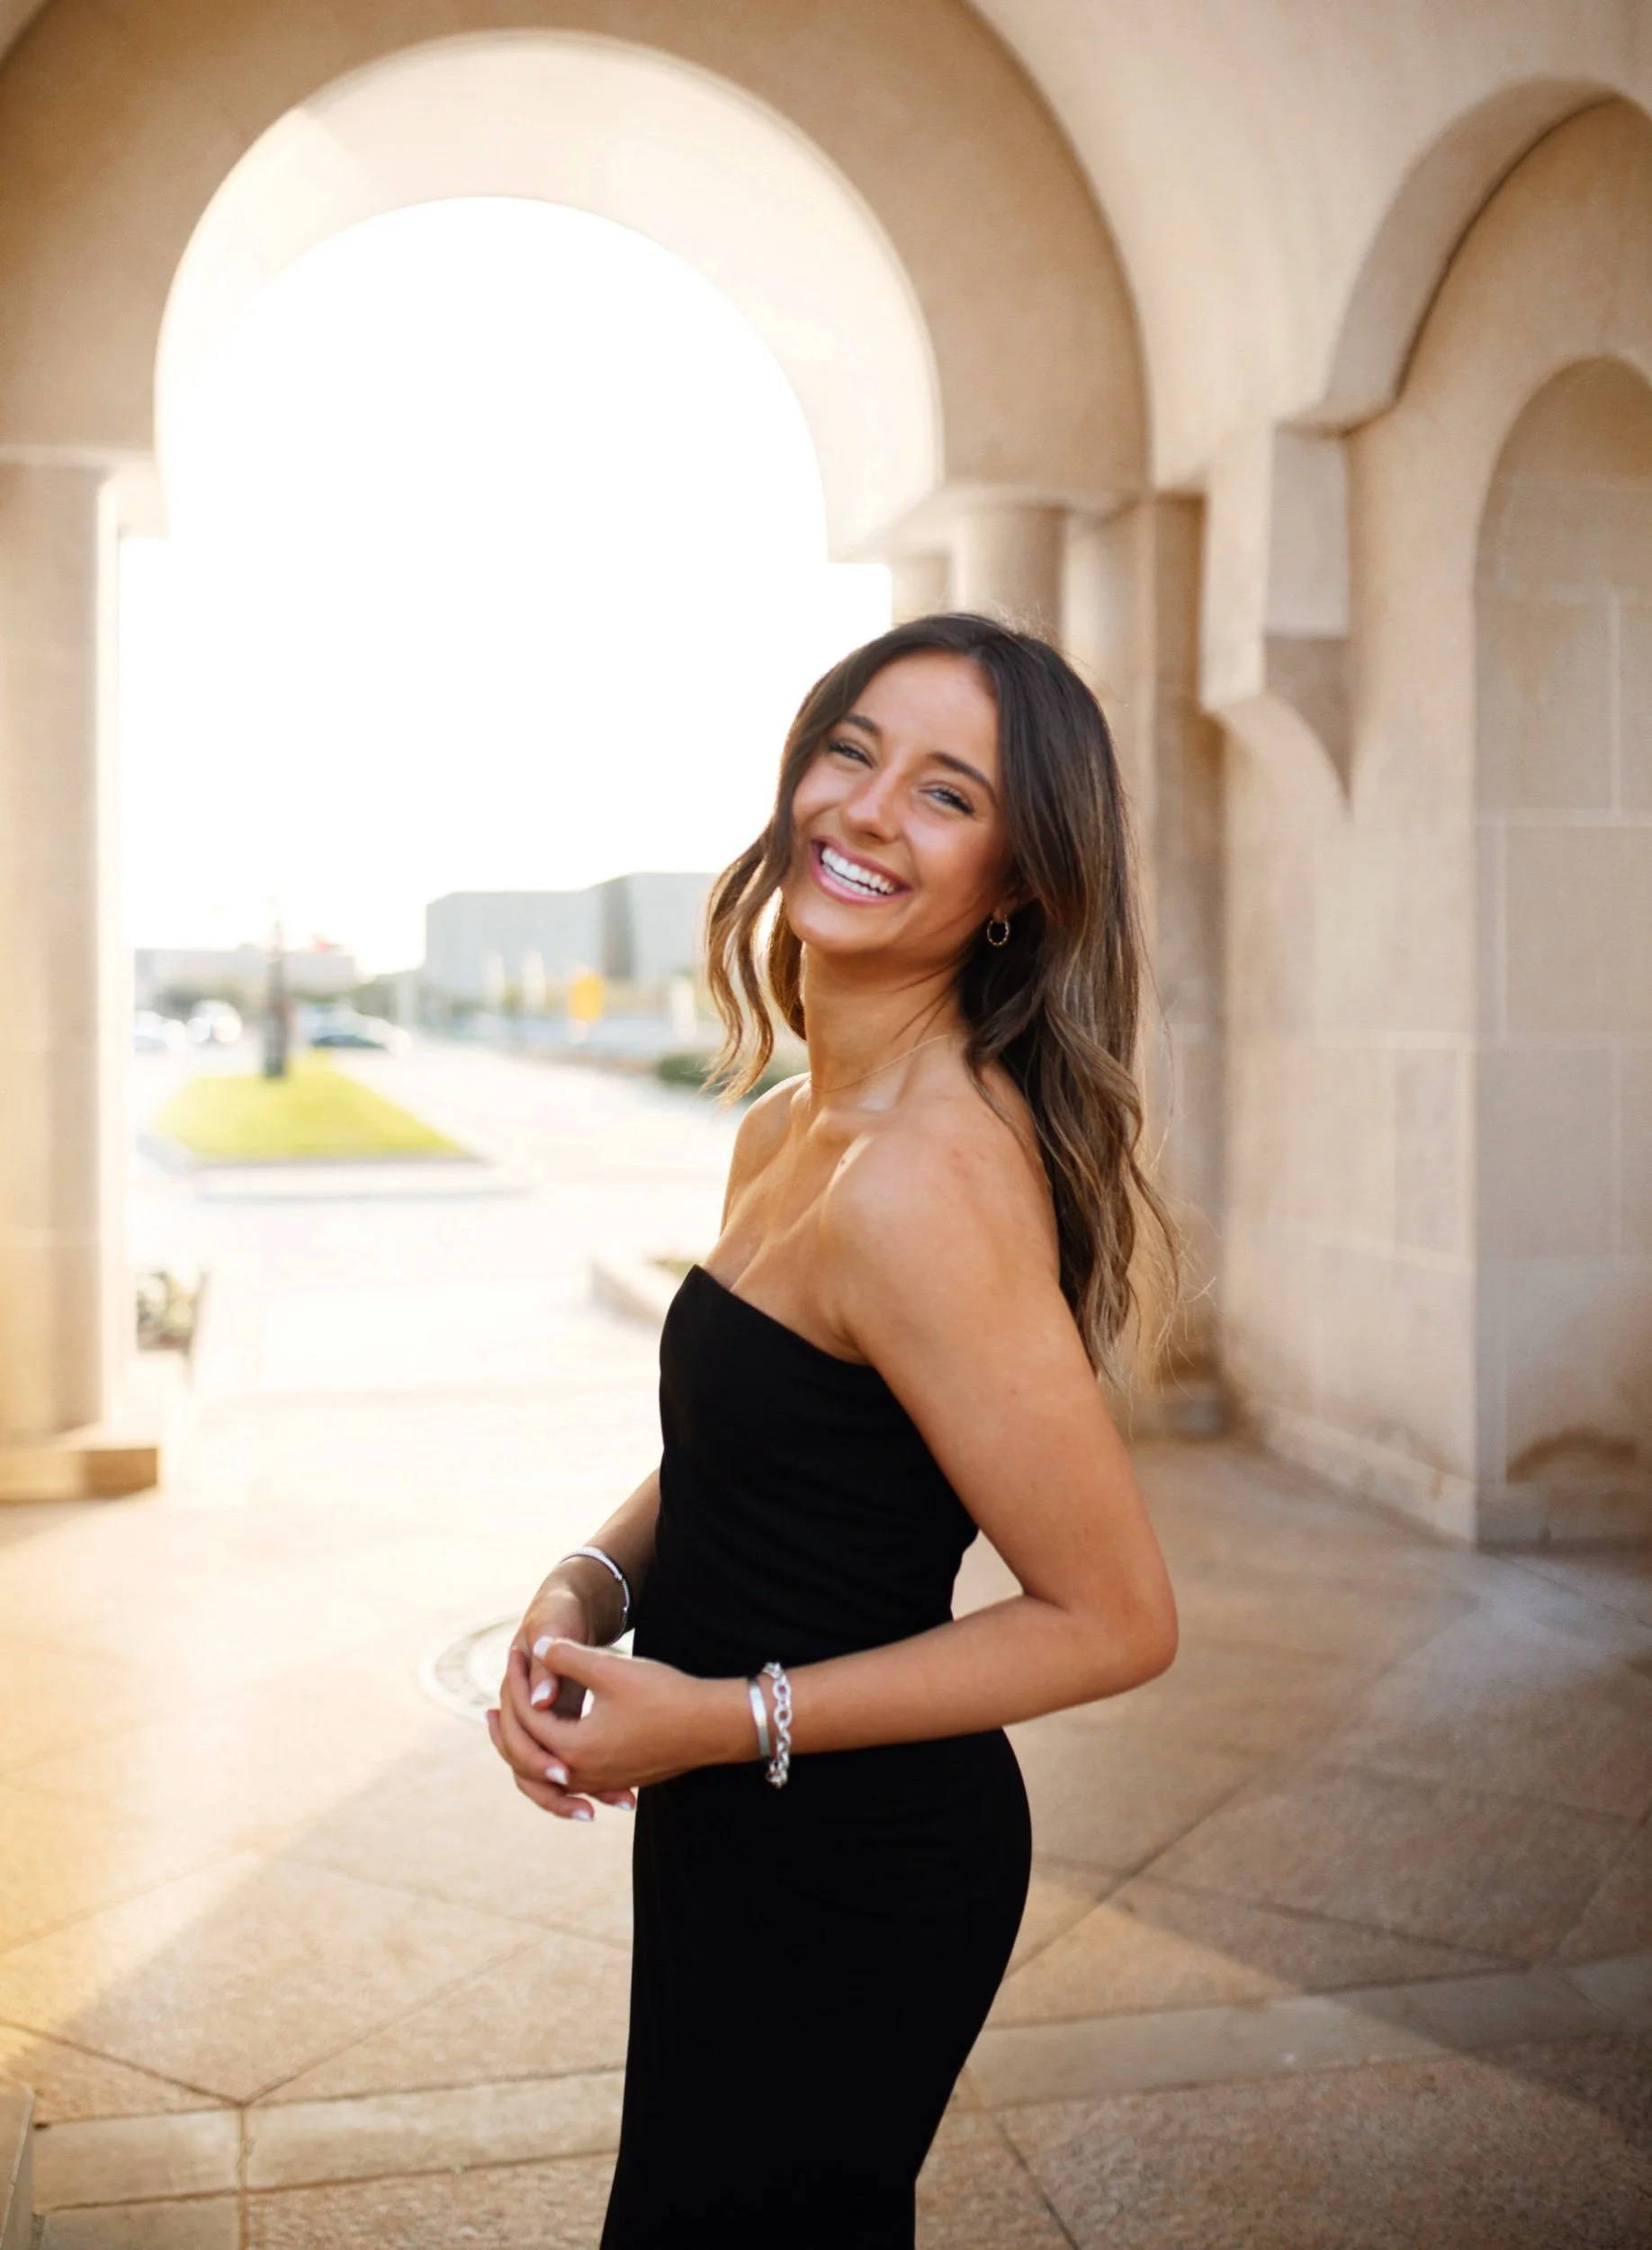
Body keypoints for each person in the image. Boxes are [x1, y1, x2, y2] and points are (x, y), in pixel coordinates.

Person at [488, 613, 1180, 2248]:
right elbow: (759, 1451)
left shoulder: (930, 1186)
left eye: (946, 795)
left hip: (860, 1862)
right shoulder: (788, 1128)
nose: (866, 811)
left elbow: (1118, 1619)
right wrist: (585, 1584)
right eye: (852, 752)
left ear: (1018, 887)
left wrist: (721, 1720)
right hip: (731, 1813)